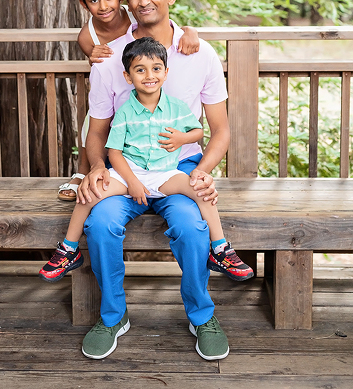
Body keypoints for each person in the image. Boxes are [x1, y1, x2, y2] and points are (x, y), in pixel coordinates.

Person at [76, 0, 231, 362]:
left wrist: (201, 172)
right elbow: (97, 131)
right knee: (102, 221)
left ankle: (202, 315)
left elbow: (221, 130)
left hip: (179, 169)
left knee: (191, 225)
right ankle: (113, 315)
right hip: (125, 168)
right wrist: (95, 167)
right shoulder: (111, 60)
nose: (143, 0)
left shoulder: (199, 54)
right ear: (126, 2)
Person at [40, 37, 253, 287]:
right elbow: (114, 153)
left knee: (201, 190)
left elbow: (199, 132)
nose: (149, 75)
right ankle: (68, 249)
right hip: (130, 172)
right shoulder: (125, 113)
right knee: (90, 194)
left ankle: (220, 250)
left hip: (165, 173)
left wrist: (182, 138)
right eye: (140, 70)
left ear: (166, 72)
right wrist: (131, 182)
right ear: (128, 76)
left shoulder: (176, 107)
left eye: (156, 68)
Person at [57, 0, 200, 200]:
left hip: (141, 96)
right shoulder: (87, 36)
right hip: (118, 101)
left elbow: (162, 24)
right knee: (95, 121)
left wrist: (189, 30)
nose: (104, 6)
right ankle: (85, 172)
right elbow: (100, 72)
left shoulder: (134, 11)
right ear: (84, 4)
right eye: (94, 0)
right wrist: (93, 56)